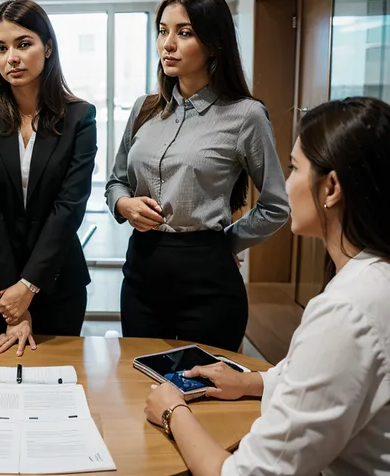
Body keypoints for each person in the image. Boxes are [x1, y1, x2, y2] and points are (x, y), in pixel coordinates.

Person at [145, 96, 390, 476]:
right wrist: (252, 381)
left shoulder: (346, 310)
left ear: (331, 188)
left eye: (294, 168)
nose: (285, 184)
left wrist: (172, 411)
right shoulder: (374, 277)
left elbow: (250, 473)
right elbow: (326, 375)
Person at [106, 0, 290, 351]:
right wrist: (124, 206)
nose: (168, 44)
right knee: (141, 383)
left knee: (203, 393)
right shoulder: (145, 108)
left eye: (184, 32)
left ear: (213, 42)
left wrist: (222, 243)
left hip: (208, 282)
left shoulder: (245, 115)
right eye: (163, 31)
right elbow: (116, 181)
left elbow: (275, 206)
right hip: (141, 273)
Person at [0, 0, 96, 356]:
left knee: (58, 386)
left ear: (47, 47)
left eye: (23, 44)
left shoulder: (80, 117)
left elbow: (69, 206)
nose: (11, 58)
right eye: (0, 48)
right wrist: (10, 293)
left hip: (56, 280)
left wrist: (29, 286)